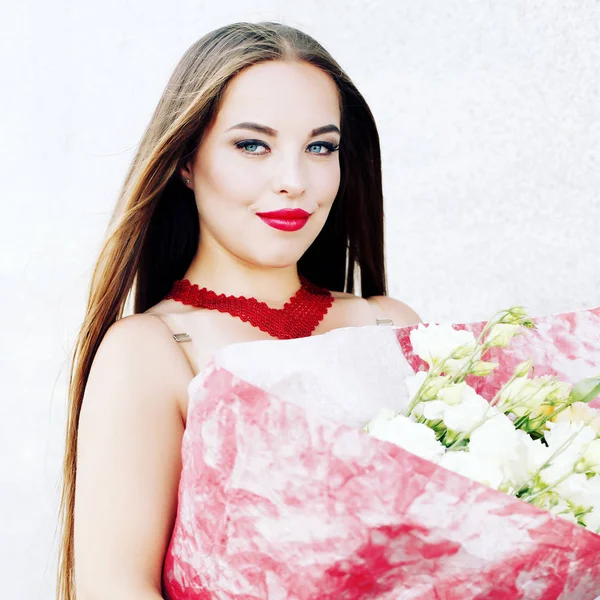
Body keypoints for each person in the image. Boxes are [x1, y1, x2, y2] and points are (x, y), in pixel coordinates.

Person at [56, 21, 421, 600]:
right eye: (253, 144)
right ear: (183, 161)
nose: (294, 181)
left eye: (320, 147)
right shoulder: (152, 351)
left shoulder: (390, 326)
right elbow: (115, 588)